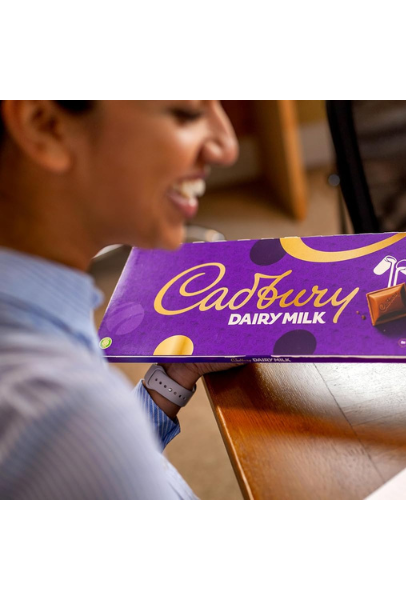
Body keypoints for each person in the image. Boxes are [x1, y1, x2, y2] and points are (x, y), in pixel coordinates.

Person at [0, 100, 239, 499]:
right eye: (185, 111)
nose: (226, 147)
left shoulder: (40, 313)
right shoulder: (62, 414)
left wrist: (171, 378)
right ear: (45, 125)